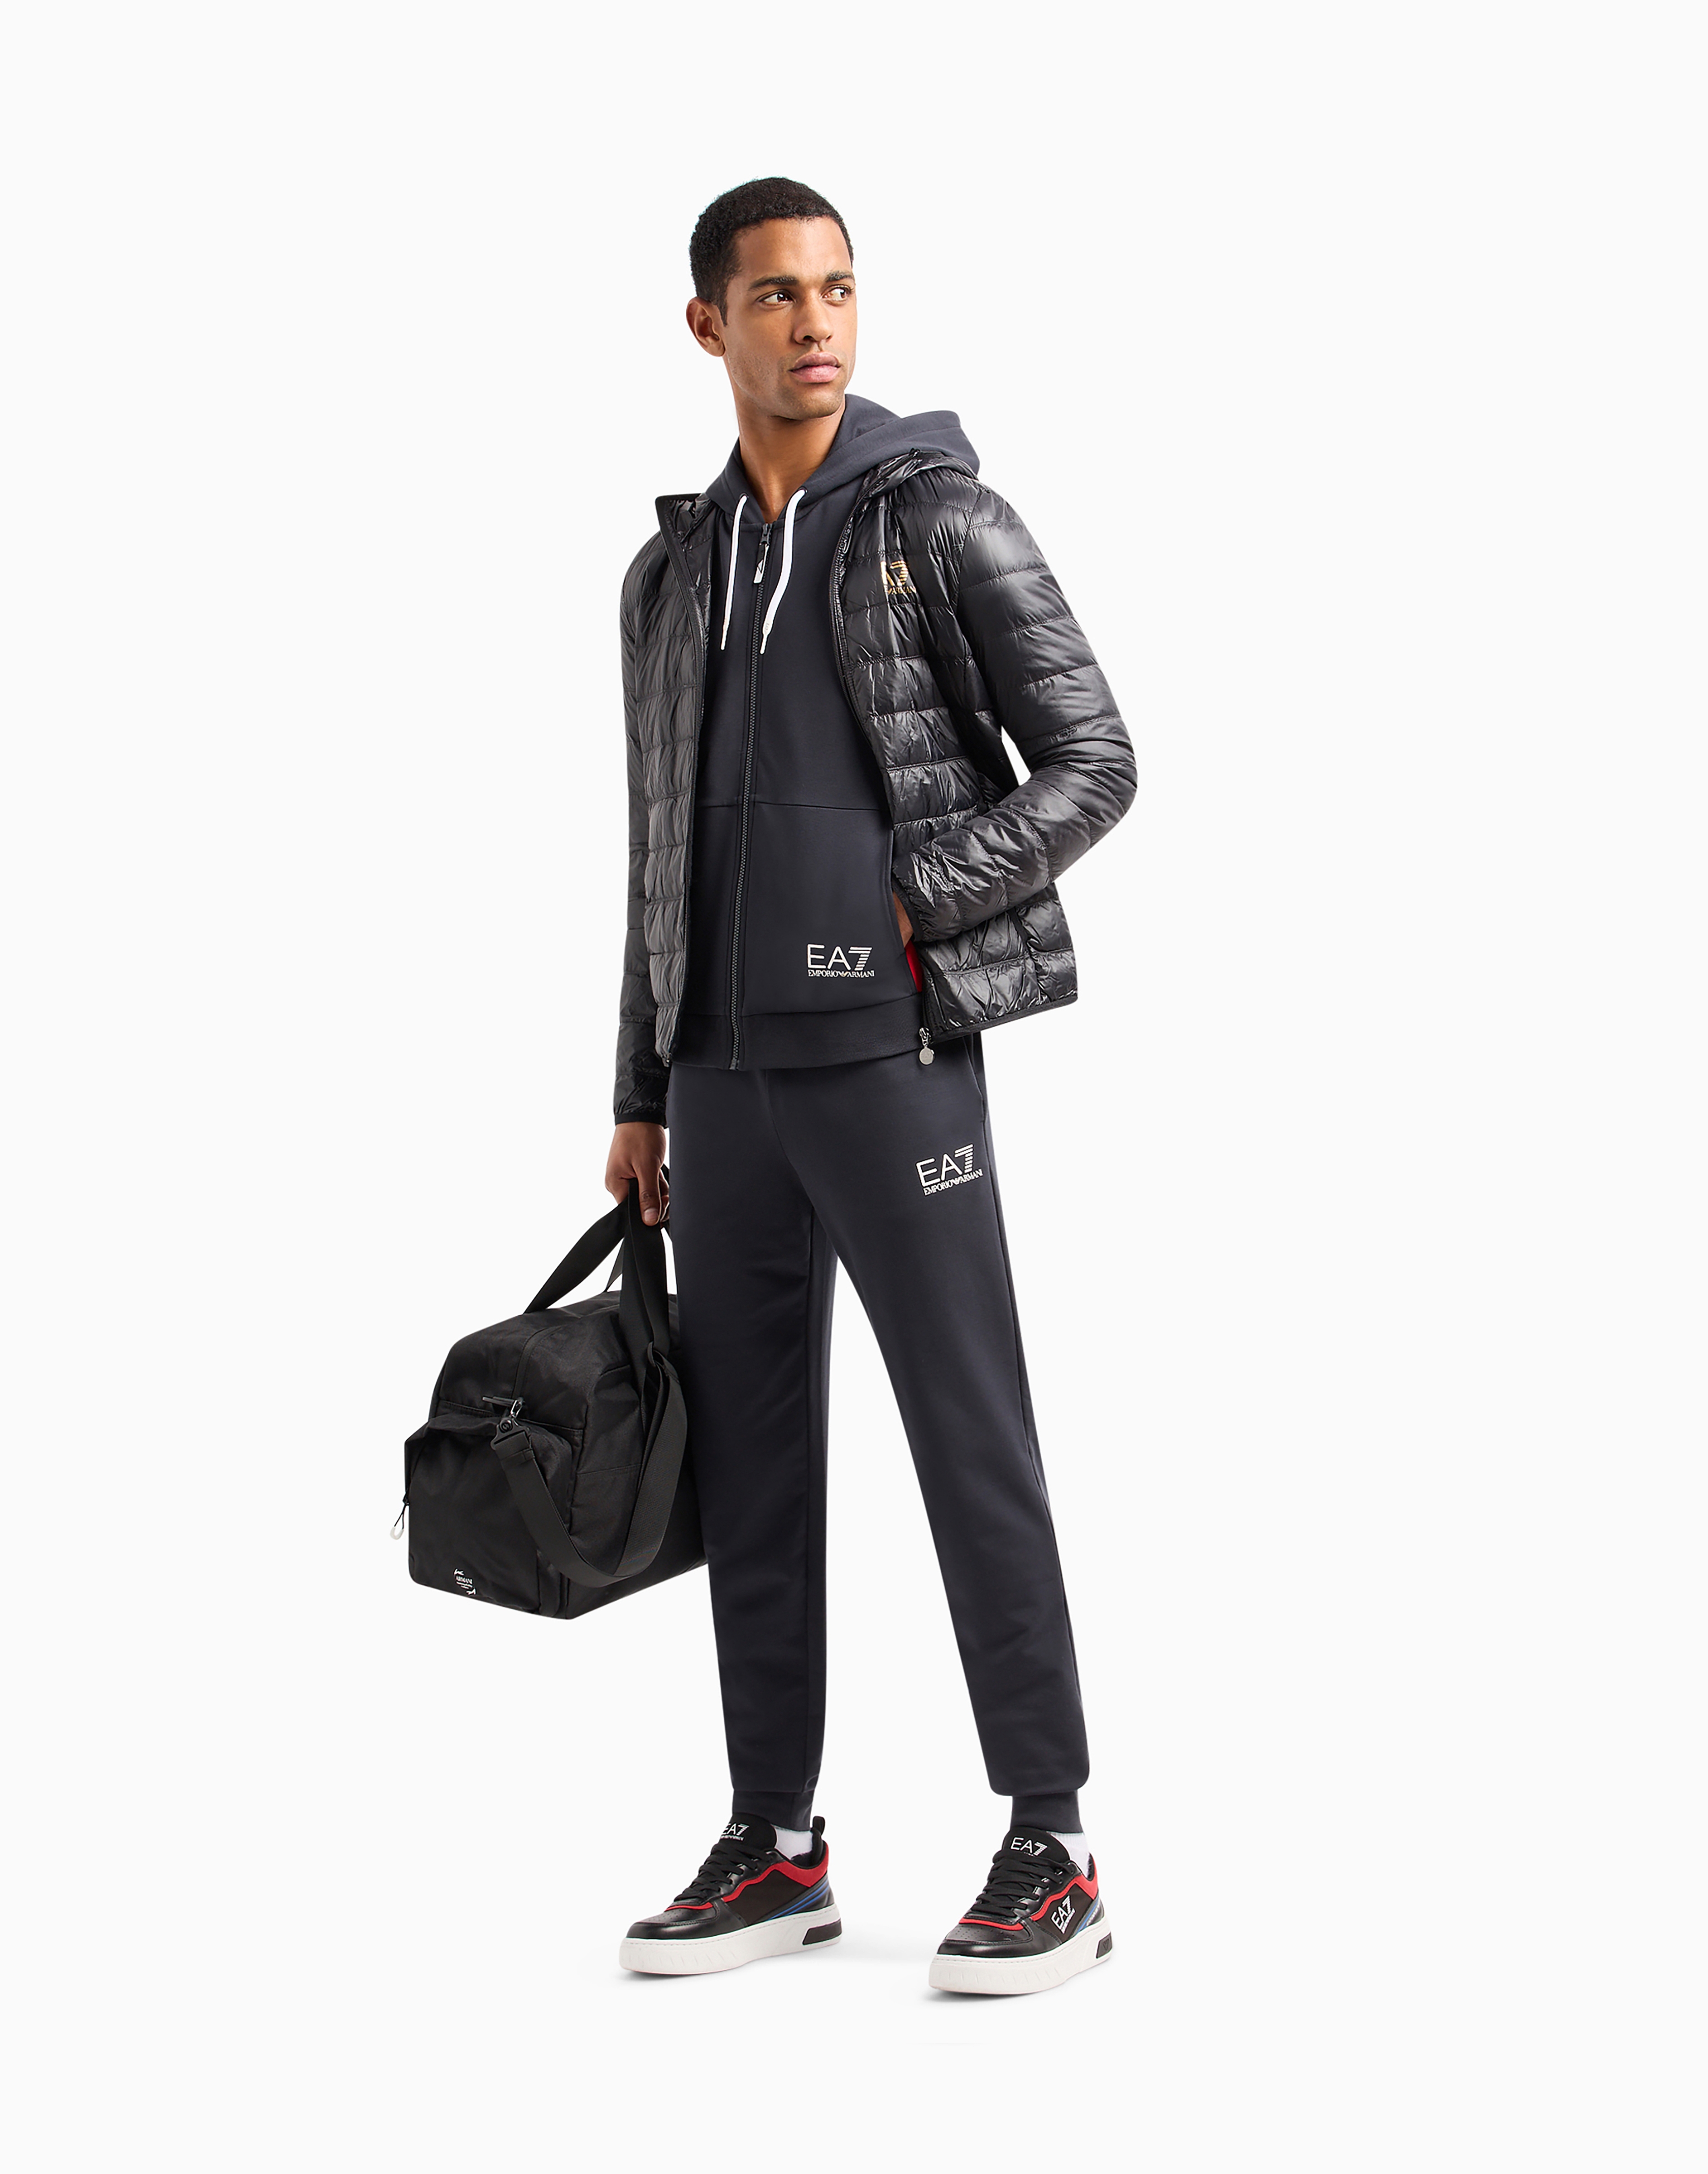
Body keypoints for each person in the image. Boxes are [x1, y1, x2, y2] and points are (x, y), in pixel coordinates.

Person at [604, 178, 1136, 1996]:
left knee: (970, 1434)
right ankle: (775, 1840)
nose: (816, 321)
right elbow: (652, 851)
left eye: (837, 288)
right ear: (710, 326)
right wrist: (640, 1086)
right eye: (776, 295)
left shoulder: (940, 519)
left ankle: (1054, 1838)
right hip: (720, 1079)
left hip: (889, 1064)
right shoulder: (670, 577)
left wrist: (910, 900)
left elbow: (1094, 760)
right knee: (750, 1469)